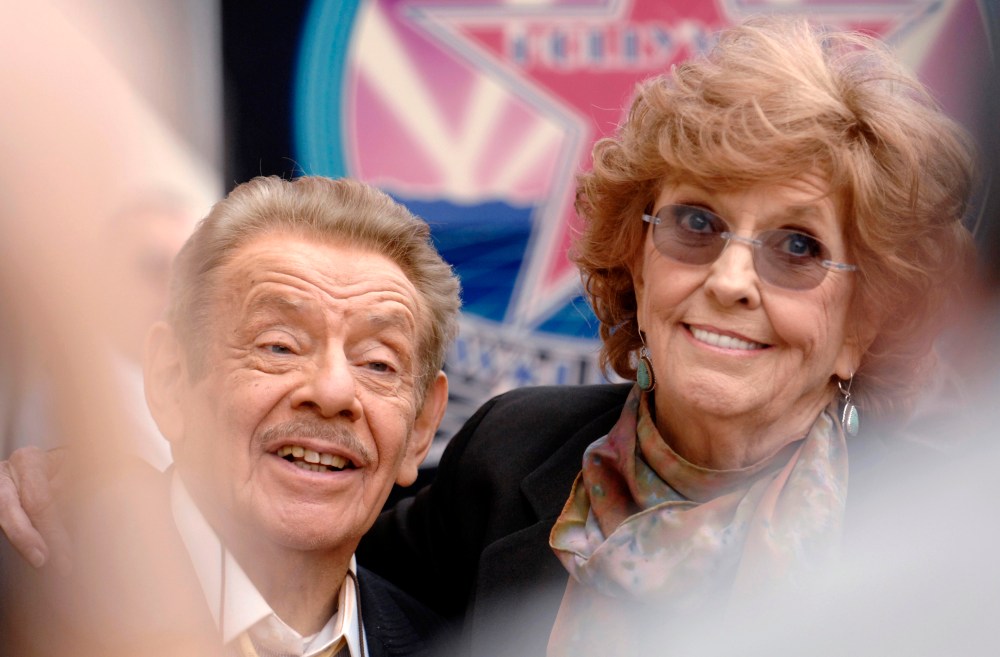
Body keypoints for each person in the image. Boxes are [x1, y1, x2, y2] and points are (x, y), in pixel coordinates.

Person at [0, 16, 980, 657]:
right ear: (637, 264)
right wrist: (116, 493)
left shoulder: (951, 536)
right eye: (695, 224)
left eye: (798, 248)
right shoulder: (515, 456)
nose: (730, 280)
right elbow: (305, 563)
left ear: (865, 323)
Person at [1, 175, 461, 657]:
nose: (333, 392)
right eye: (280, 346)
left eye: (377, 364)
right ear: (172, 380)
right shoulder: (25, 598)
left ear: (421, 428)